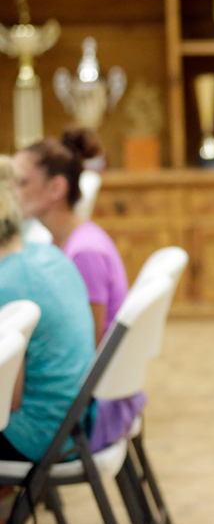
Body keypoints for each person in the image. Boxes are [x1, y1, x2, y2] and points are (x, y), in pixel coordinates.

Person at [12, 129, 143, 452]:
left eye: (21, 182)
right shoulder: (69, 241)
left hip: (91, 412)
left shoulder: (84, 253)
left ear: (57, 187)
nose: (11, 193)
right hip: (87, 400)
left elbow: (89, 345)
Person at [0, 155, 95, 462]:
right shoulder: (47, 254)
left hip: (38, 436)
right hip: (75, 425)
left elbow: (6, 400)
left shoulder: (8, 284)